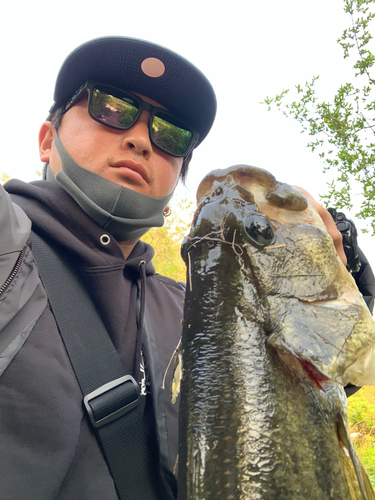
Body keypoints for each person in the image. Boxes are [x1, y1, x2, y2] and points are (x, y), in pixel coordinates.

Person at [0, 36, 373, 500]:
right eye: (109, 107)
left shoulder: (185, 304)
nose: (139, 139)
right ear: (45, 139)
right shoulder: (7, 248)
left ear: (175, 177)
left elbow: (287, 402)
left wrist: (344, 280)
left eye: (170, 133)